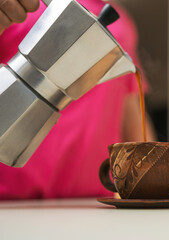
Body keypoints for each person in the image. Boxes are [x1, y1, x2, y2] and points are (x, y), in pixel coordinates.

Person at [0, 0, 156, 199]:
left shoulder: (122, 22)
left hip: (94, 201)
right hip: (9, 200)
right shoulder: (17, 7)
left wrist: (153, 171)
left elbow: (128, 105)